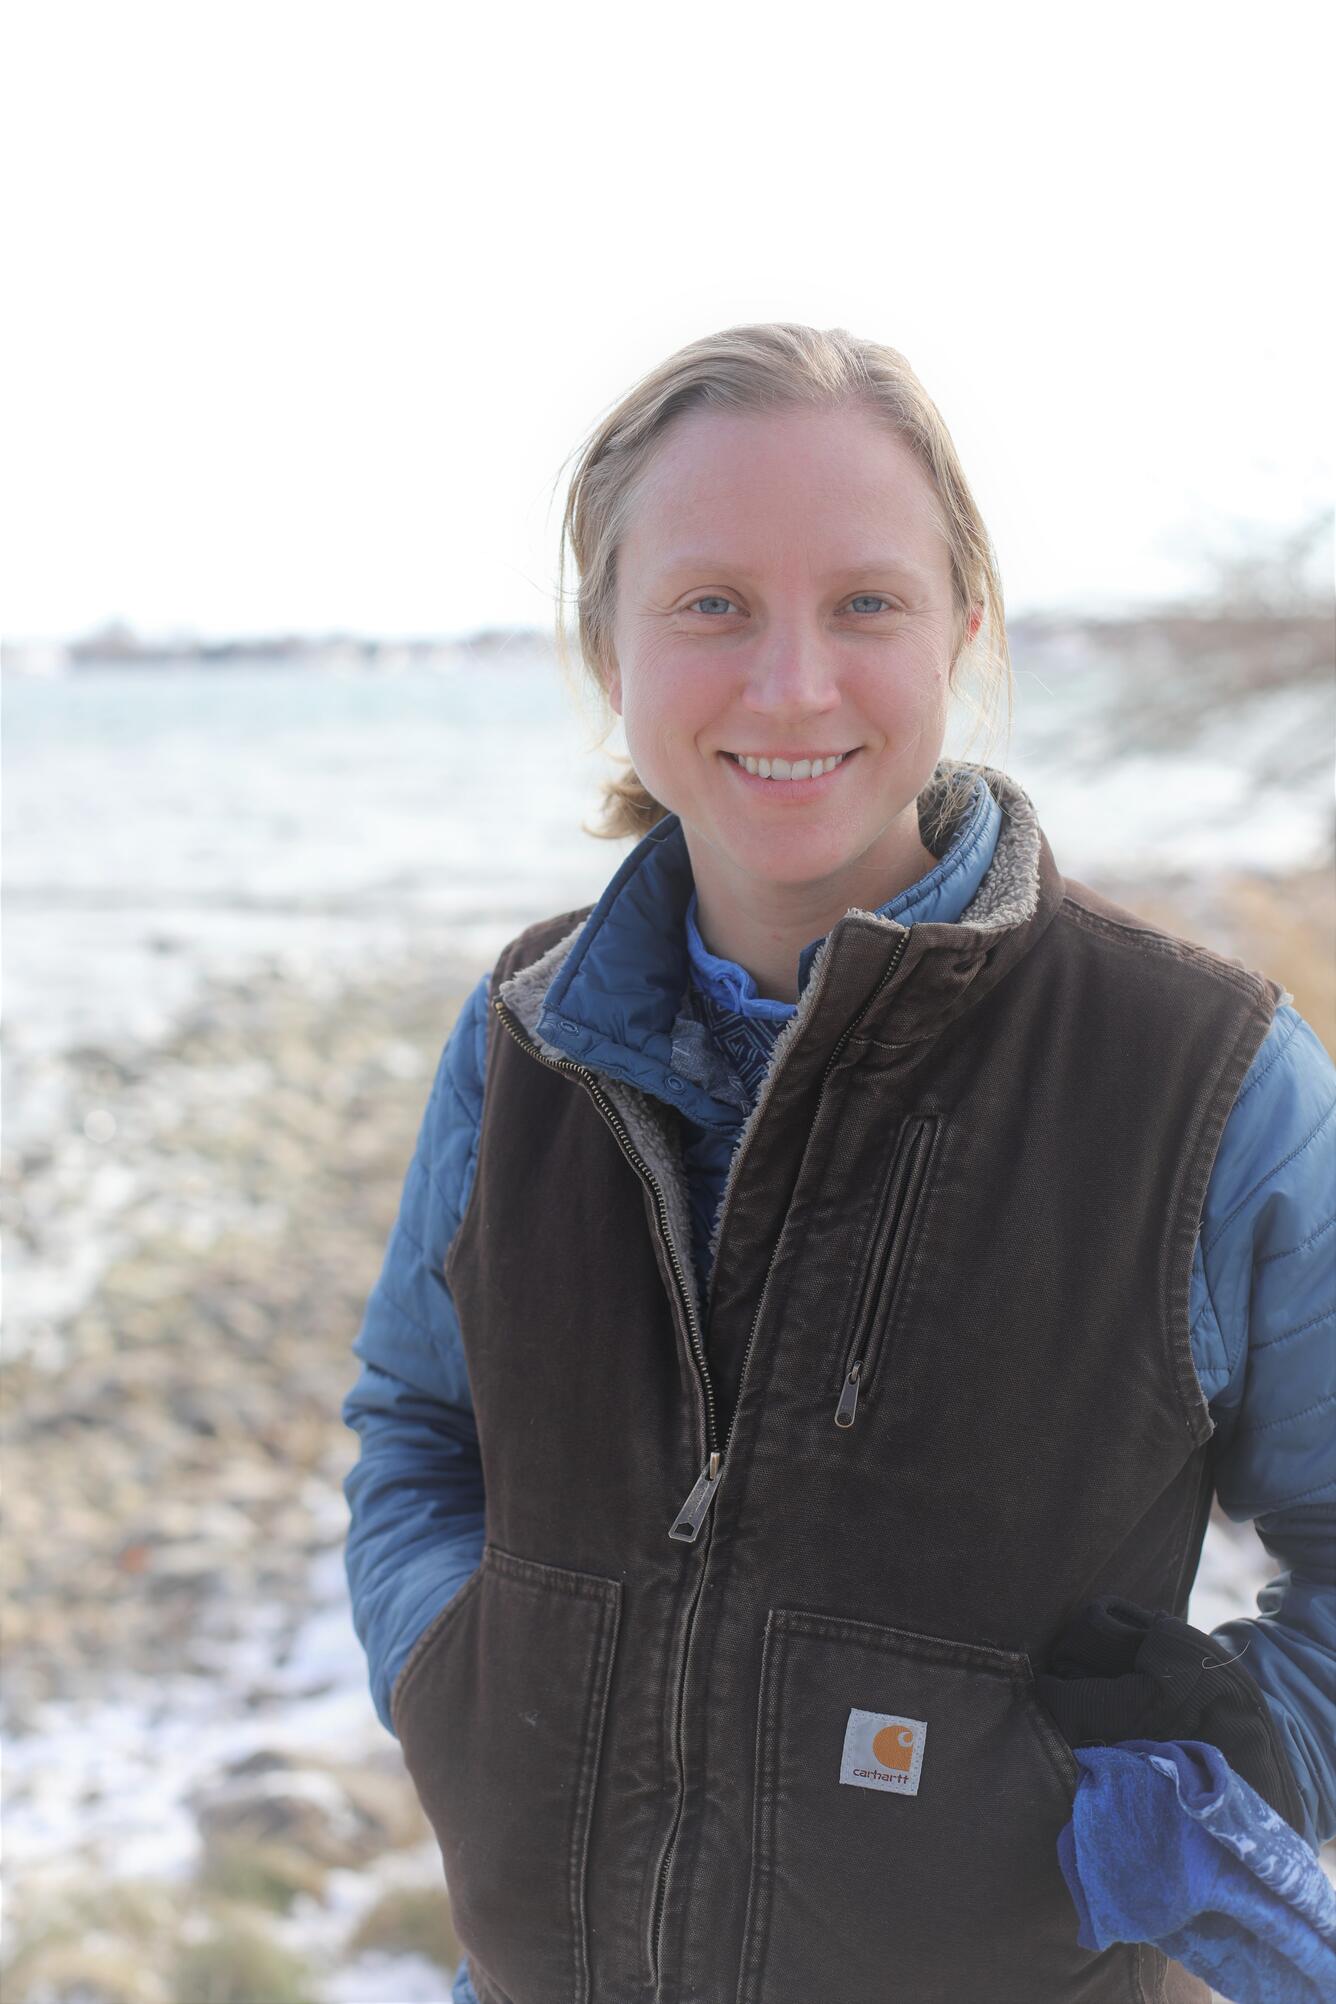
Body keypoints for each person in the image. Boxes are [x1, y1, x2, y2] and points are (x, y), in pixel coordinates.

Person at [341, 324, 1335, 2004]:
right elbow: (417, 1429)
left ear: (964, 626)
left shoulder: (1207, 1078)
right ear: (609, 641)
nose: (791, 683)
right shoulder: (522, 1033)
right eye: (713, 602)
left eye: (865, 603)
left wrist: (1238, 1773)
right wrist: (456, 1673)